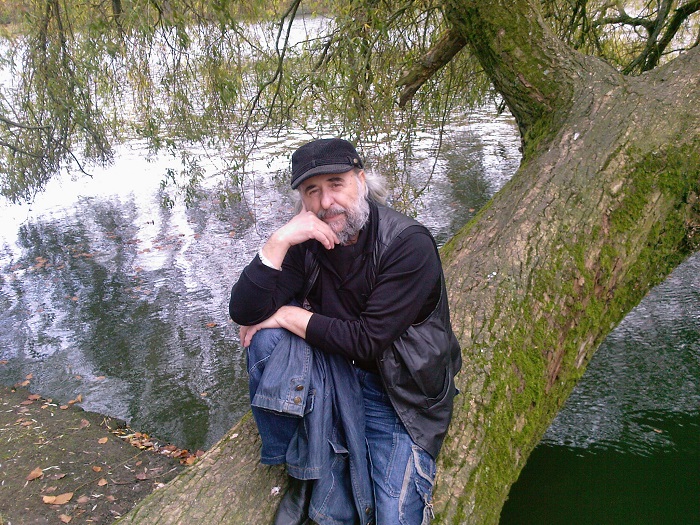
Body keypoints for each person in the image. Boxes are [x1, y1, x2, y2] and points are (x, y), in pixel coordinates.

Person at [229, 138, 461, 525]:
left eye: (336, 183)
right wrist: (278, 241)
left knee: (393, 516)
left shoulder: (407, 244)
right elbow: (245, 312)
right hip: (336, 372)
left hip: (399, 392)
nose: (326, 202)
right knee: (266, 340)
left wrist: (288, 315)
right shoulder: (307, 241)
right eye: (312, 191)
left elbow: (367, 340)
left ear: (361, 181)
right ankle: (296, 463)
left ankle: (326, 462)